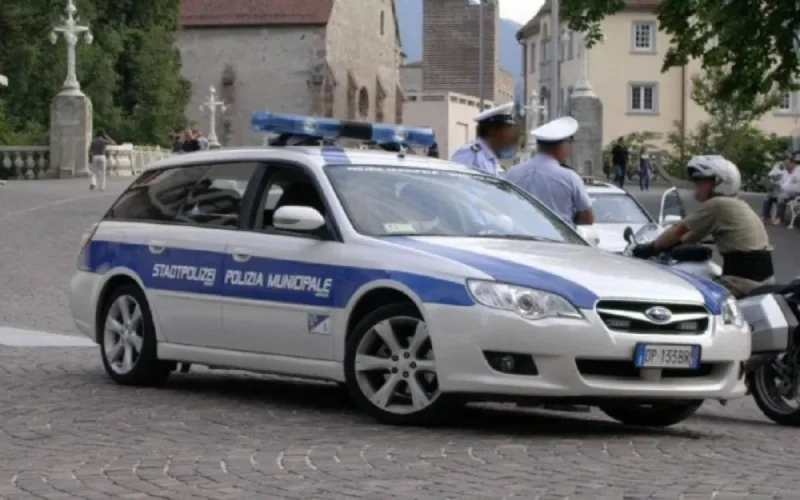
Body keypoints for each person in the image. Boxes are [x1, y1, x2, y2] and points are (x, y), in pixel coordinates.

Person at [631, 155, 774, 298]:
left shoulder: (717, 204)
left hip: (741, 283)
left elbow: (678, 230)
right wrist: (677, 244)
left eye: (702, 181)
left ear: (720, 182)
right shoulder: (735, 203)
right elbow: (693, 235)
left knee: (687, 297)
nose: (696, 185)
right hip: (762, 278)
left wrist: (648, 249)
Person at [504, 116, 595, 227]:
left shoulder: (512, 173)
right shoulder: (569, 178)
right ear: (562, 146)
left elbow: (503, 208)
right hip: (556, 240)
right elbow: (588, 218)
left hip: (520, 238)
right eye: (570, 142)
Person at [450, 102, 517, 176]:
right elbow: (456, 183)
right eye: (507, 130)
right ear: (493, 131)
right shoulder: (470, 155)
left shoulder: (491, 159)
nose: (511, 134)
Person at [775, 151, 800, 227]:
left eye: (787, 164)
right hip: (784, 192)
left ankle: (779, 219)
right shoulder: (785, 172)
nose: (785, 166)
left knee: (781, 197)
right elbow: (781, 183)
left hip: (796, 193)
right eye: (785, 164)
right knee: (769, 196)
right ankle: (766, 216)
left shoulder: (798, 171)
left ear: (793, 164)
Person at [762, 155, 788, 223]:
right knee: (767, 198)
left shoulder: (789, 171)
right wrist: (769, 184)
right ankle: (766, 217)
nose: (783, 163)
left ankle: (778, 218)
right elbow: (770, 176)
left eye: (785, 162)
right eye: (783, 162)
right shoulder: (776, 167)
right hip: (775, 189)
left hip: (783, 191)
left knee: (780, 198)